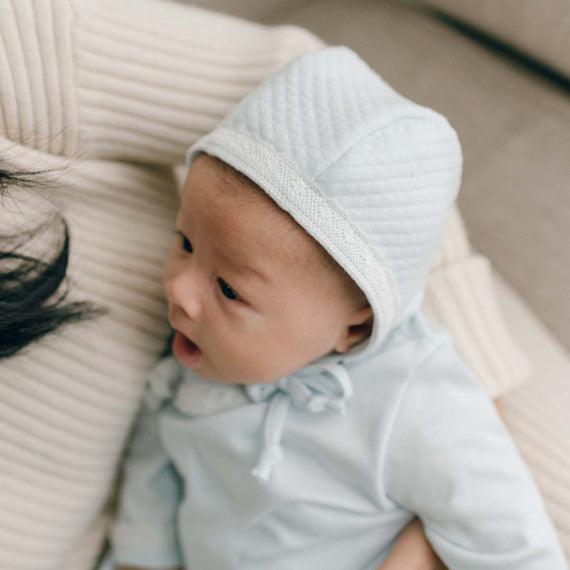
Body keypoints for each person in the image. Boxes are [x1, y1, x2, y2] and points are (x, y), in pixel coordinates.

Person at [0, 1, 566, 569]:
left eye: (229, 290)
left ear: (354, 326)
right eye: (185, 243)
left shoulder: (415, 401)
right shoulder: (185, 377)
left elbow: (515, 546)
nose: (179, 292)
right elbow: (152, 492)